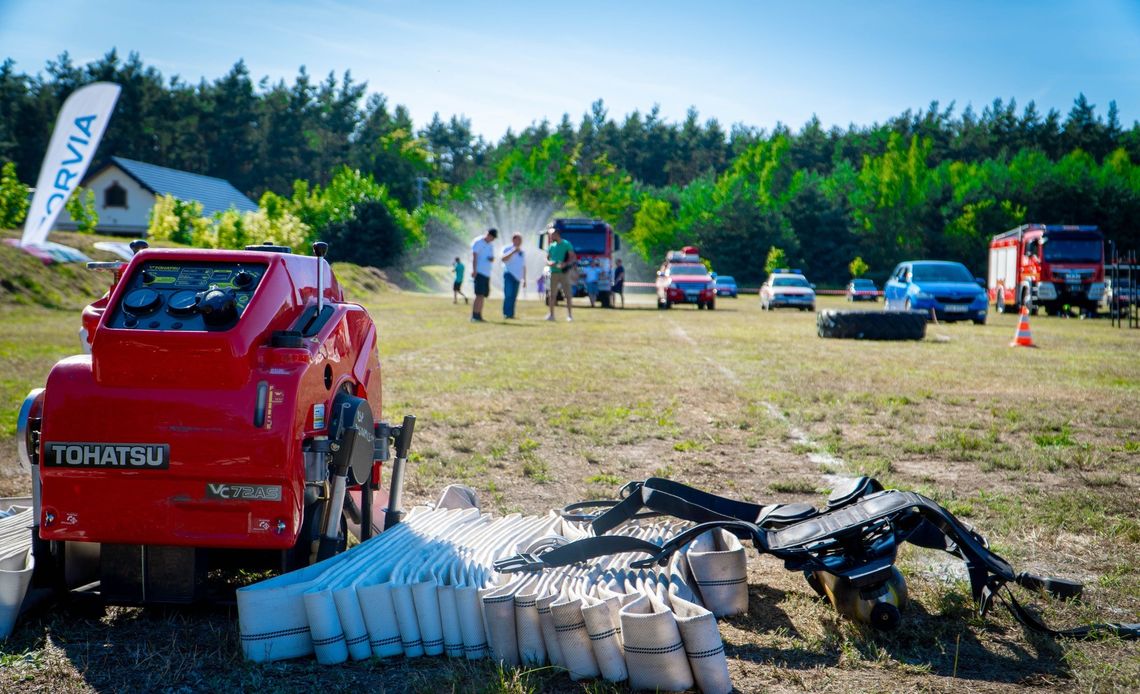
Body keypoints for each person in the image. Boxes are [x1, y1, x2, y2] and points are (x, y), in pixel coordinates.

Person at [545, 227, 575, 321]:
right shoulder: (551, 246)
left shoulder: (566, 244)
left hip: (564, 273)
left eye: (552, 234)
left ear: (557, 234)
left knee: (567, 294)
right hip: (553, 272)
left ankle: (569, 315)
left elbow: (572, 257)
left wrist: (565, 264)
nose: (550, 236)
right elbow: (547, 258)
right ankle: (551, 315)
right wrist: (549, 263)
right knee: (552, 295)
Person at [470, 228, 497, 322]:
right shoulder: (478, 242)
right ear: (488, 234)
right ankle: (474, 315)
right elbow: (474, 256)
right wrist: (474, 270)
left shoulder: (490, 245)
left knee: (483, 295)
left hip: (486, 273)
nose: (492, 239)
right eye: (492, 237)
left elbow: (491, 257)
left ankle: (479, 314)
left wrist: (491, 259)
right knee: (478, 294)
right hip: (479, 272)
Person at [501, 232, 526, 319]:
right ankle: (506, 313)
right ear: (513, 240)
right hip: (509, 274)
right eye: (518, 239)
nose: (520, 241)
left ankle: (511, 314)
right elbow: (503, 259)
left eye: (520, 240)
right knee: (508, 295)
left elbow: (523, 266)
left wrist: (524, 279)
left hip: (518, 277)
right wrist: (513, 251)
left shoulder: (522, 252)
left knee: (514, 296)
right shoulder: (507, 248)